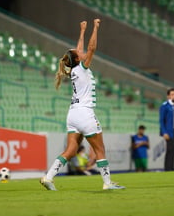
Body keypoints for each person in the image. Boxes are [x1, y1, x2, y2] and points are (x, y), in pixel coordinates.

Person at [41, 19, 125, 191]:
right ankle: (108, 183)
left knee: (71, 150)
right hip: (85, 113)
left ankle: (48, 177)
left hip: (72, 114)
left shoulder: (73, 69)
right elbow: (92, 48)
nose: (81, 51)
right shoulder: (82, 68)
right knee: (100, 149)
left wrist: (82, 31)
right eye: (79, 52)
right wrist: (95, 28)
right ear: (78, 58)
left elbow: (78, 50)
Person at [159, 88, 174, 171]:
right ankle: (169, 168)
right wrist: (164, 132)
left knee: (171, 151)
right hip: (168, 131)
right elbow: (161, 120)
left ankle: (169, 168)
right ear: (168, 96)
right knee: (172, 150)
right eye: (172, 94)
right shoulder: (165, 106)